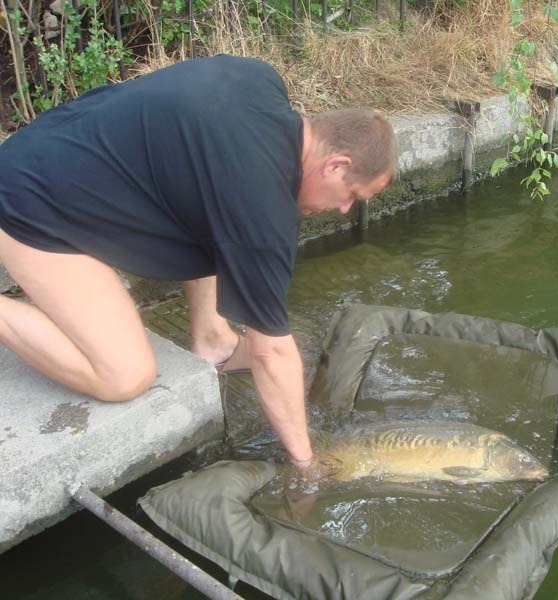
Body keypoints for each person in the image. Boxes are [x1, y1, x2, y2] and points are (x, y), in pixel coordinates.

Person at [0, 55, 398, 471]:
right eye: (352, 195)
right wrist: (306, 463)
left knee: (214, 218)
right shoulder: (262, 209)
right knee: (124, 375)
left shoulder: (259, 81)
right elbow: (270, 353)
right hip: (29, 205)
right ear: (336, 165)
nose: (344, 210)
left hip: (49, 149)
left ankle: (214, 341)